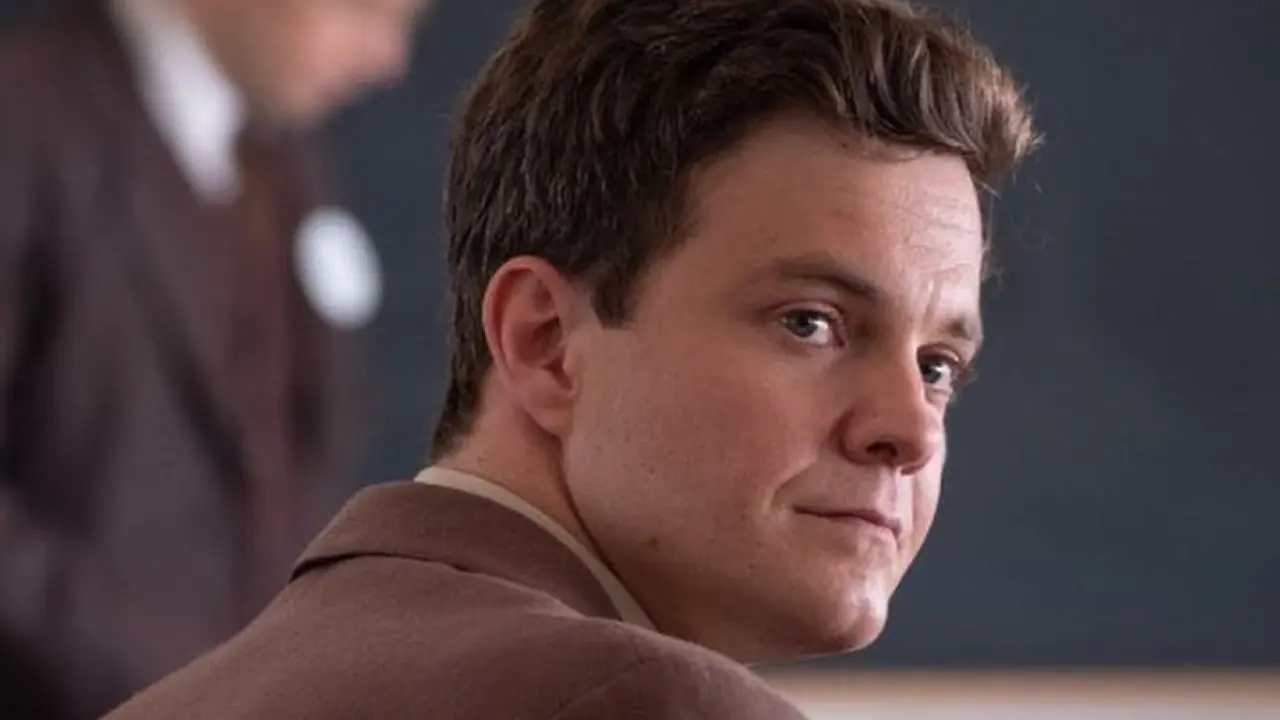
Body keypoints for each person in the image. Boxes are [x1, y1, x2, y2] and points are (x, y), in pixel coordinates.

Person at [108, 0, 1039, 717]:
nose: (910, 432)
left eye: (938, 367)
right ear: (545, 342)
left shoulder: (173, 704)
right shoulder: (652, 704)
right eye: (811, 322)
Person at [0, 0, 430, 717]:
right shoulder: (22, 120)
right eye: (363, 9)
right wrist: (165, 680)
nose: (389, 60)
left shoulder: (278, 146)